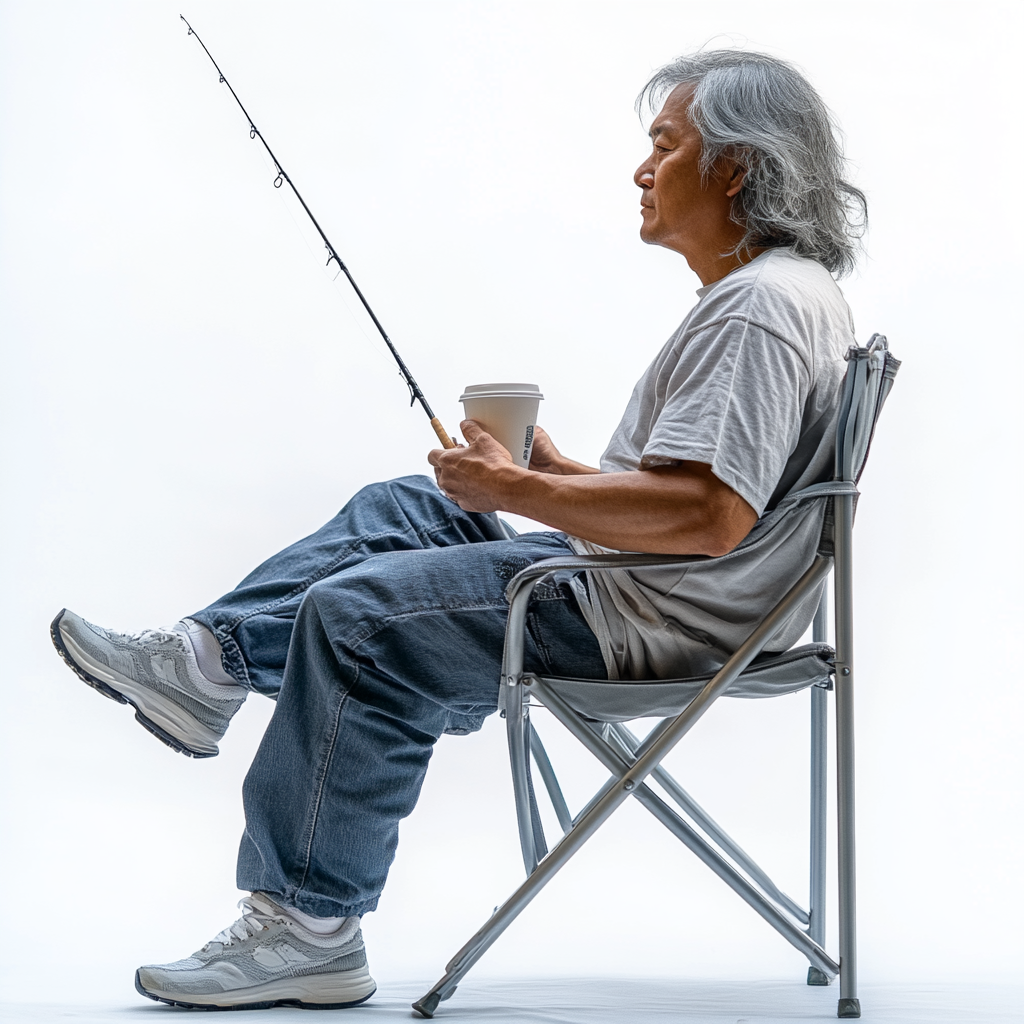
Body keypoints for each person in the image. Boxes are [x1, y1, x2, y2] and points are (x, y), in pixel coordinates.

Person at [50, 49, 866, 1010]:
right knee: (414, 506)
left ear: (736, 165)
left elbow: (709, 515)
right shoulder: (777, 293)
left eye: (664, 145)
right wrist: (548, 477)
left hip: (654, 614)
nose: (642, 170)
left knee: (358, 622)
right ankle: (205, 663)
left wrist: (521, 493)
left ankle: (306, 926)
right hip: (662, 591)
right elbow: (699, 493)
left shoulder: (760, 312)